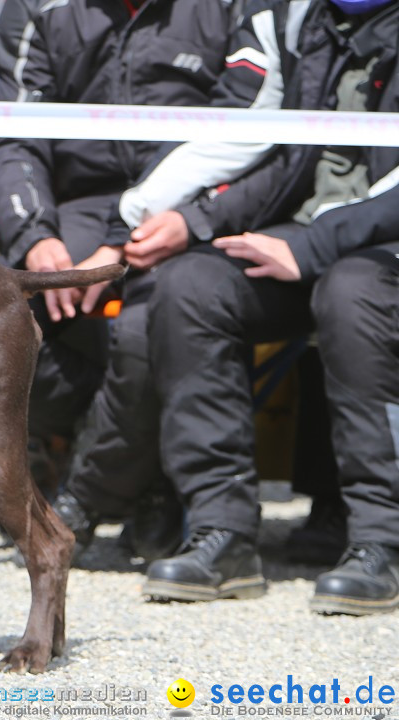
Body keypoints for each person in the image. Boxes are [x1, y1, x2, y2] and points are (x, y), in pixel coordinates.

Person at [71, 0, 399, 610]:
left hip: (370, 253)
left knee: (353, 291)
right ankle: (222, 530)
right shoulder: (291, 16)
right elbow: (245, 127)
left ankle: (384, 540)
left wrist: (315, 245)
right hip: (301, 237)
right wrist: (132, 223)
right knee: (189, 286)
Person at [0, 0, 242, 516]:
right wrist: (35, 235)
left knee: (154, 322)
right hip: (78, 202)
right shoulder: (38, 7)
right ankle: (86, 461)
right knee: (1, 321)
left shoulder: (229, 8)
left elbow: (251, 128)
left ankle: (112, 490)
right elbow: (13, 135)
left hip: (192, 201)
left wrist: (187, 217)